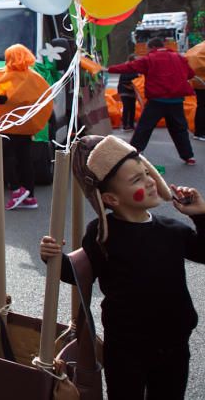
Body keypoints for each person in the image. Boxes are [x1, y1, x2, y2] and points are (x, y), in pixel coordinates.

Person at [39, 135, 205, 400]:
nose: (150, 181)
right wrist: (52, 257)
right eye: (137, 180)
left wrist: (200, 215)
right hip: (125, 347)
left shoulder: (172, 231)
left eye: (147, 173)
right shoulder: (101, 234)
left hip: (174, 344)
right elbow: (79, 275)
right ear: (111, 199)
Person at [0, 44, 52, 211]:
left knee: (5, 157)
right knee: (25, 159)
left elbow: (15, 97)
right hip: (26, 125)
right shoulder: (34, 77)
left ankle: (16, 189)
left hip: (11, 125)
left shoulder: (16, 76)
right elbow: (31, 97)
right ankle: (29, 197)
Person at [107, 38, 195, 165]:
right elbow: (190, 74)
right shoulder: (178, 57)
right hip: (176, 100)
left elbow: (130, 67)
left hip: (157, 100)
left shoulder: (150, 59)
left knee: (144, 127)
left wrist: (109, 69)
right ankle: (188, 156)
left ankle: (135, 151)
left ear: (152, 47)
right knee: (179, 129)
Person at [117, 53, 138, 131]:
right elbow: (125, 78)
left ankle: (131, 125)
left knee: (132, 108)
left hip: (132, 91)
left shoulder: (135, 68)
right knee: (126, 107)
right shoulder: (126, 67)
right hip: (124, 90)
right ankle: (125, 124)